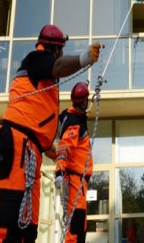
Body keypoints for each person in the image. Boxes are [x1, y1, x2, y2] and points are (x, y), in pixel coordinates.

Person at [0, 24, 101, 243]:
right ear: (55, 48)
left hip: (30, 149)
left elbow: (37, 117)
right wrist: (85, 58)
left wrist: (49, 148)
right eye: (60, 50)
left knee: (28, 225)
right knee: (11, 221)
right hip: (17, 144)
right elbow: (58, 66)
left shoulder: (43, 78)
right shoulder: (37, 59)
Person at [54, 82, 93, 243]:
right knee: (76, 224)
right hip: (76, 178)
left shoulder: (70, 117)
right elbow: (65, 146)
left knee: (79, 223)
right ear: (83, 102)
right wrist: (59, 171)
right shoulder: (74, 122)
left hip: (78, 178)